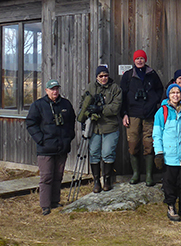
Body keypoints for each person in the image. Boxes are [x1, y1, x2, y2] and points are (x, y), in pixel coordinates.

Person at [25, 79, 76, 215]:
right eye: (52, 89)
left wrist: (69, 137)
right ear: (46, 90)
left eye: (57, 89)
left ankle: (55, 201)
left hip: (62, 147)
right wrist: (40, 139)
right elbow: (30, 123)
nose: (55, 92)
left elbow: (72, 121)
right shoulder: (38, 105)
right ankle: (45, 205)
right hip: (45, 148)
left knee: (58, 176)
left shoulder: (66, 104)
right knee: (46, 176)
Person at [121, 49, 165, 186]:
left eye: (142, 58)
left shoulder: (151, 74)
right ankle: (135, 174)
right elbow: (122, 95)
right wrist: (124, 114)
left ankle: (149, 175)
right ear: (134, 61)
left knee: (149, 144)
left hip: (149, 114)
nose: (139, 61)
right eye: (137, 58)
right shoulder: (128, 76)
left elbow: (160, 89)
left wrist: (154, 101)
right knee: (133, 144)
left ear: (145, 60)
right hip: (133, 114)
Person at [77, 65, 122, 193]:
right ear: (97, 77)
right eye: (101, 76)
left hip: (110, 126)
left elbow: (116, 107)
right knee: (94, 153)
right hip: (94, 127)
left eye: (105, 76)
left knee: (108, 153)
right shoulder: (91, 87)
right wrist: (88, 111)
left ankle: (107, 180)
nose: (103, 78)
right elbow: (82, 103)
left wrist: (101, 109)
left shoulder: (115, 88)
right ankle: (96, 181)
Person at [153, 83, 181, 221]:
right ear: (168, 95)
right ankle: (171, 207)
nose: (175, 95)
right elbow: (157, 134)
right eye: (173, 93)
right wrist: (159, 153)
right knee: (170, 184)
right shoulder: (162, 112)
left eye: (178, 93)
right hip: (169, 156)